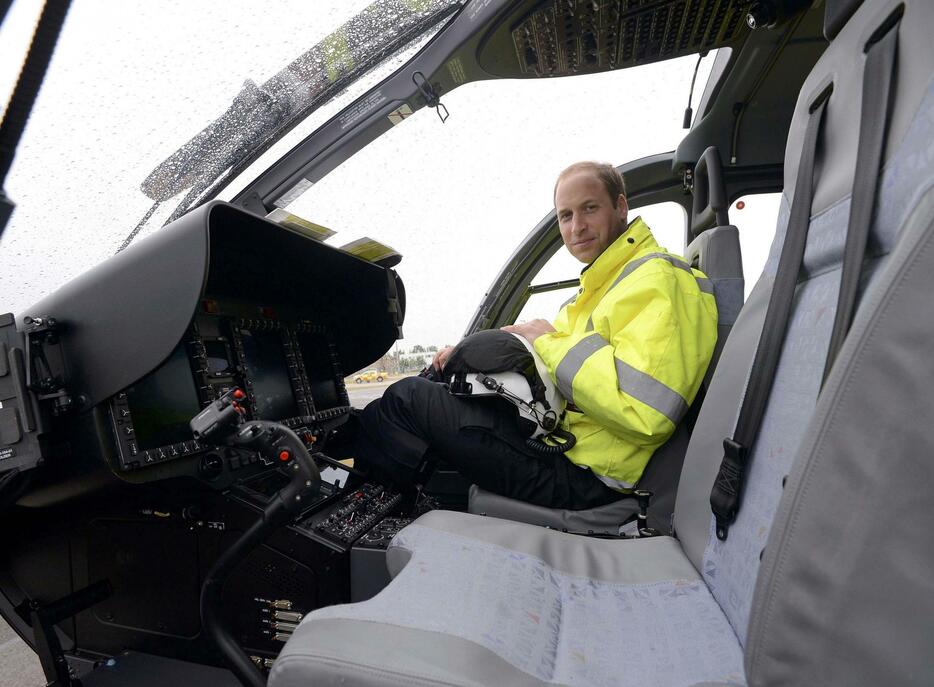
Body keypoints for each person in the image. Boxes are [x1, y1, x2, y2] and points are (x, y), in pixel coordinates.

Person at [354, 162, 718, 509]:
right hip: (566, 441)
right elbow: (563, 357)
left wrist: (547, 339)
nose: (577, 227)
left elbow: (645, 413)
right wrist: (471, 350)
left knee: (408, 398)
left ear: (620, 207)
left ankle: (353, 523)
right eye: (566, 215)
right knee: (434, 384)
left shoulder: (657, 280)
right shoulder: (605, 284)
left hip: (586, 471)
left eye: (590, 208)